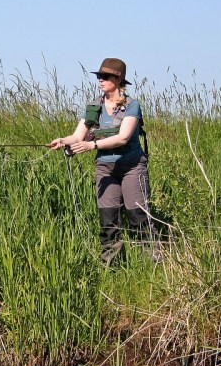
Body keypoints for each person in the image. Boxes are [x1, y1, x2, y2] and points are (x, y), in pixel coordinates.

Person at [46, 58, 156, 264]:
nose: (100, 80)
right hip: (105, 168)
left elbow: (123, 137)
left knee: (138, 216)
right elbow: (77, 136)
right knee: (108, 220)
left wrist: (92, 146)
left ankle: (151, 264)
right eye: (99, 76)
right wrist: (63, 141)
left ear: (118, 79)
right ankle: (110, 266)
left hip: (132, 166)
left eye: (105, 76)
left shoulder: (132, 106)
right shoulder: (94, 107)